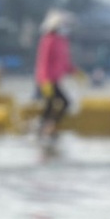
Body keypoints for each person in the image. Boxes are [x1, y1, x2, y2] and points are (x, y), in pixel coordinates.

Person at [33, 11, 78, 140]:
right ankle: (44, 128)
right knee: (53, 104)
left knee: (62, 103)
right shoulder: (48, 40)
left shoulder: (62, 41)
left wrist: (74, 72)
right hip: (46, 80)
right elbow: (44, 61)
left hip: (55, 79)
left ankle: (47, 127)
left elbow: (64, 62)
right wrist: (45, 80)